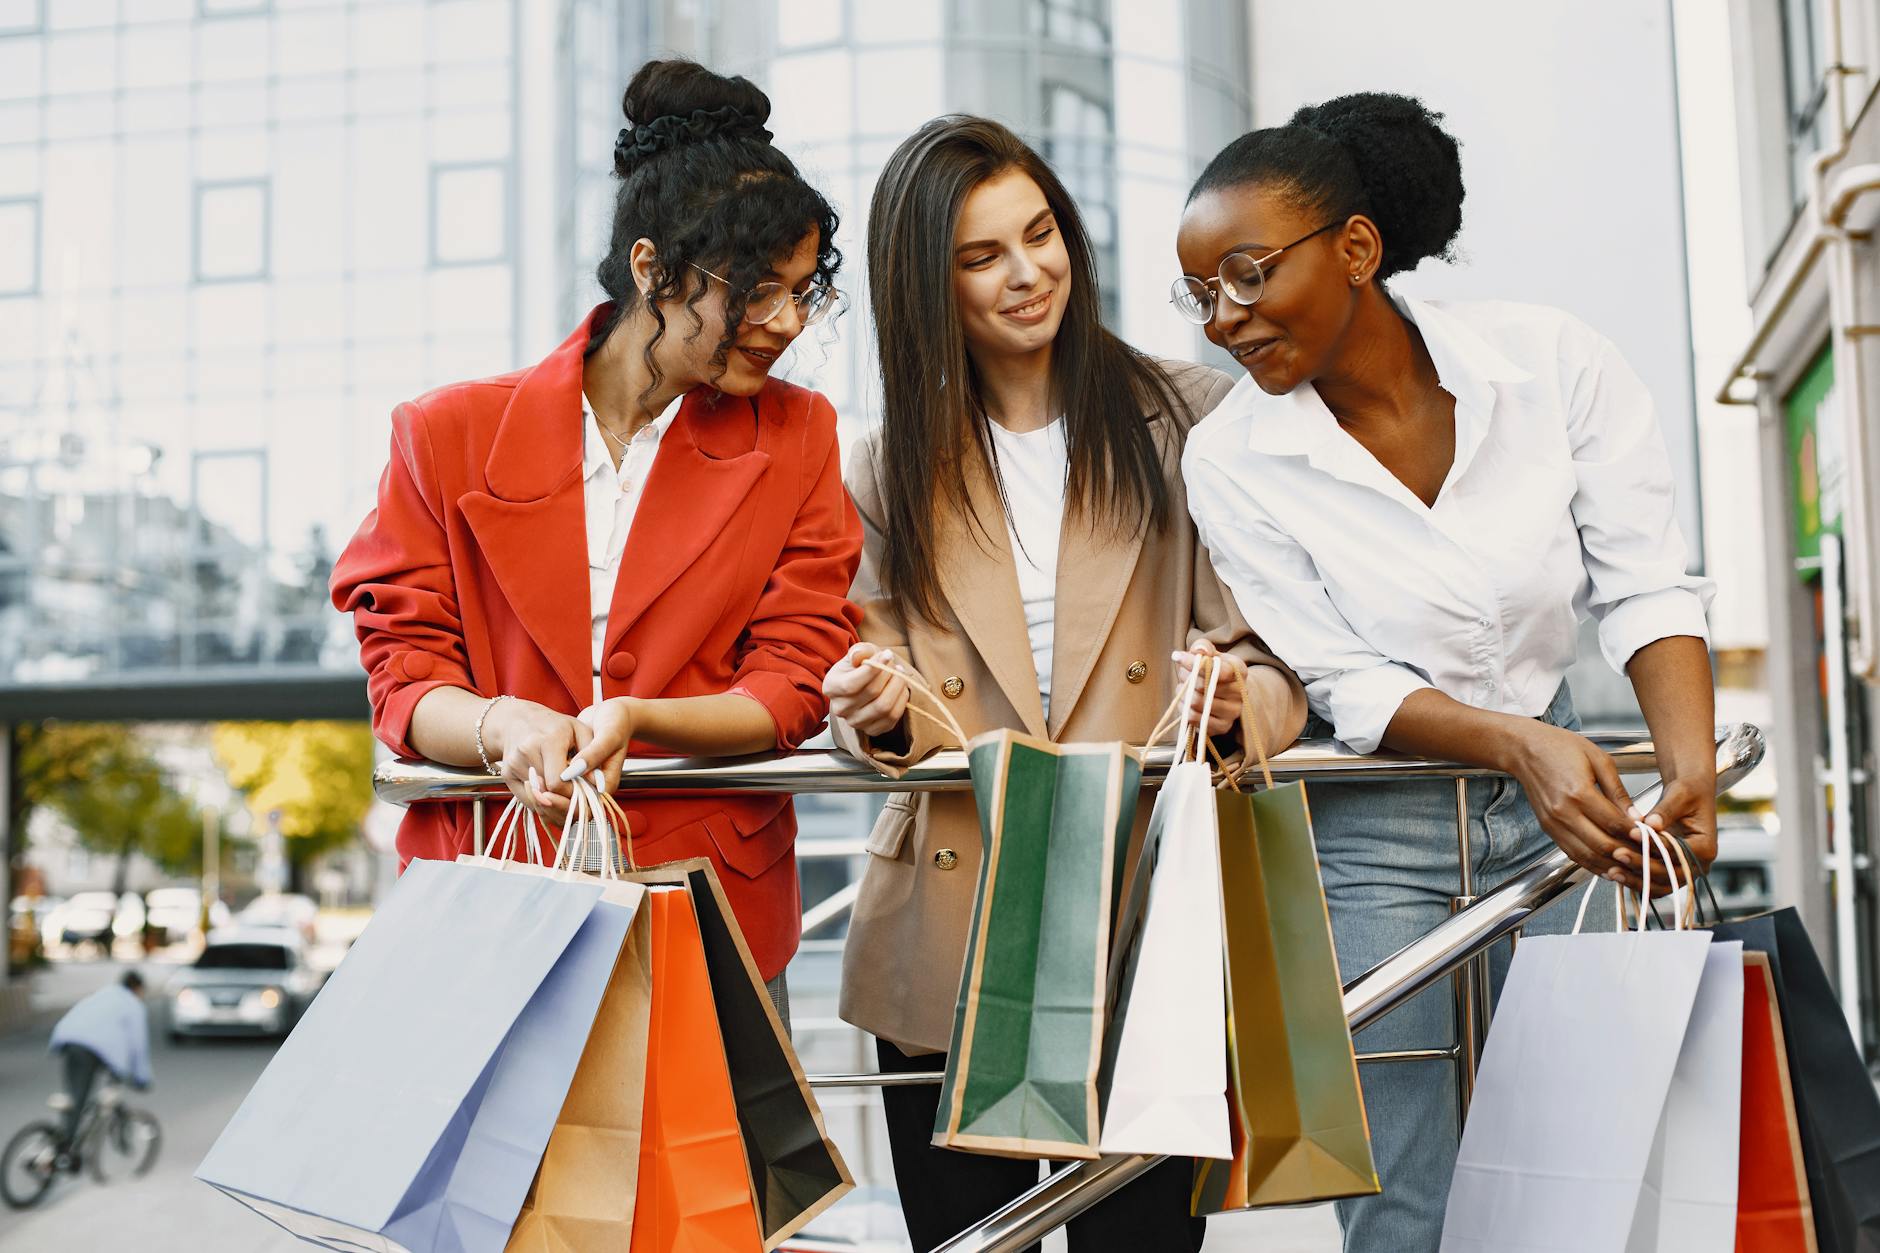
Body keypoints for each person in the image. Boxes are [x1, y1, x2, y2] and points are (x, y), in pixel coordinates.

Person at [1175, 92, 1717, 1252]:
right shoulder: (1228, 458)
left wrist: (1685, 773)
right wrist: (1516, 744)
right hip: (1372, 830)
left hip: (1571, 802)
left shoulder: (1548, 361)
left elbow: (1644, 583)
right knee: (1402, 1196)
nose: (1223, 319)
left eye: (1245, 274)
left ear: (1356, 249)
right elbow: (1344, 679)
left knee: (1583, 1174)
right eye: (1201, 294)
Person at [823, 115, 1307, 1253]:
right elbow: (869, 678)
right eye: (980, 256)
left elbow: (1278, 650)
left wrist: (1241, 698)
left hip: (1145, 900)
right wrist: (871, 711)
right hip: (951, 915)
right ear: (924, 284)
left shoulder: (1191, 416)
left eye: (1039, 233)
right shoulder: (885, 465)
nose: (1026, 271)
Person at [329, 59, 863, 1009]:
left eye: (799, 289)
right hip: (494, 903)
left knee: (720, 1164)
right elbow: (404, 677)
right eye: (754, 291)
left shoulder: (800, 435)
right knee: (516, 1163)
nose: (787, 321)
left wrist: (640, 721)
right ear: (652, 268)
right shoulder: (445, 434)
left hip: (716, 909)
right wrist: (502, 725)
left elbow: (793, 680)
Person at [48, 970, 151, 1151]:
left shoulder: (105, 993)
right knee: (81, 1098)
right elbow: (138, 1045)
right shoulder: (133, 1004)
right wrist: (142, 1077)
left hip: (68, 1039)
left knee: (75, 1094)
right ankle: (64, 1150)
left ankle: (65, 1138)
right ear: (138, 988)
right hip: (93, 1048)